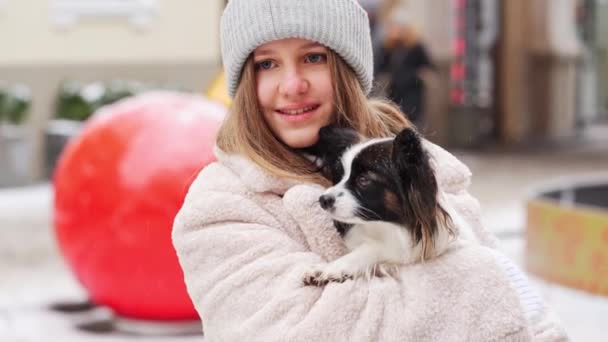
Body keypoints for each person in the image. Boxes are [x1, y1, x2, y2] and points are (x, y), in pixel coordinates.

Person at [172, 0, 568, 341]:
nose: (292, 85)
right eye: (267, 64)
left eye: (313, 58)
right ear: (243, 83)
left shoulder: (419, 168)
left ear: (346, 68)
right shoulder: (224, 207)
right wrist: (482, 278)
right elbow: (301, 332)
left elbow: (533, 325)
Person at [375, 19, 435, 125]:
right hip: (395, 90)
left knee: (412, 119)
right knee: (396, 118)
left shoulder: (416, 46)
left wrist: (418, 75)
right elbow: (380, 66)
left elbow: (429, 66)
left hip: (412, 90)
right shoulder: (389, 48)